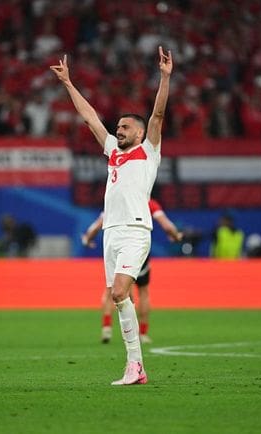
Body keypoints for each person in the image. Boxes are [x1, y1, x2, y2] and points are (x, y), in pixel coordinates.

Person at [50, 46, 172, 385]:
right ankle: (135, 368)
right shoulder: (112, 154)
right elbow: (89, 117)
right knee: (120, 300)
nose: (118, 131)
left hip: (135, 231)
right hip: (111, 233)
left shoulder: (149, 152)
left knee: (119, 292)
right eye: (117, 127)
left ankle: (136, 366)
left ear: (140, 134)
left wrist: (164, 78)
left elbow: (158, 116)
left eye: (125, 128)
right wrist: (69, 84)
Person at [82, 198, 182, 345]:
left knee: (112, 288)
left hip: (117, 247)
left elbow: (96, 226)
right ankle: (142, 332)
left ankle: (107, 327)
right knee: (143, 292)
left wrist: (87, 239)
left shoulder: (116, 200)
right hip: (138, 249)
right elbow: (167, 226)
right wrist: (176, 236)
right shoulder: (148, 202)